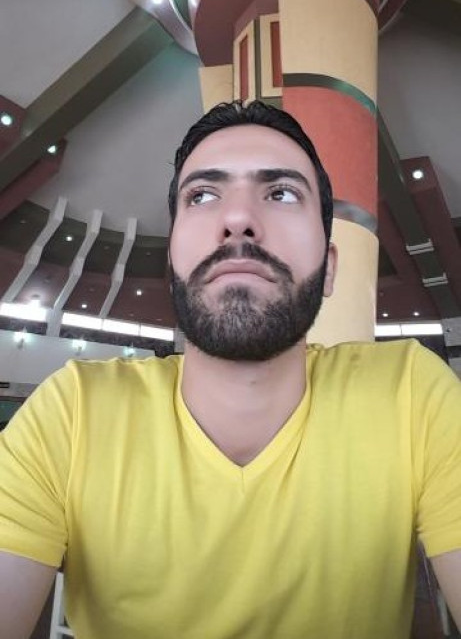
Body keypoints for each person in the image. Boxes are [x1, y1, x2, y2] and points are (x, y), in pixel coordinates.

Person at [0, 100, 460, 639]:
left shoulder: (410, 394)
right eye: (202, 195)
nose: (238, 219)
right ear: (172, 261)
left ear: (330, 267)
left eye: (281, 193)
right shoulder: (73, 411)